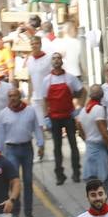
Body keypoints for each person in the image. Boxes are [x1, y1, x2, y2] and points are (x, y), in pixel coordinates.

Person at [0, 87, 42, 217]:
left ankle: (28, 212)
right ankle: (15, 210)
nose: (12, 98)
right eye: (10, 96)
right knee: (13, 181)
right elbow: (0, 134)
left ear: (19, 96)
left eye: (14, 96)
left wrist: (41, 144)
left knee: (28, 180)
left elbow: (37, 128)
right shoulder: (3, 114)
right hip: (11, 150)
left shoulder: (30, 111)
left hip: (27, 148)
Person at [38, 53, 82, 185]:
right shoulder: (47, 80)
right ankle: (59, 175)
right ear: (52, 62)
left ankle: (76, 173)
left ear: (62, 61)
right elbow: (44, 100)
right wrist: (46, 116)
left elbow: (82, 91)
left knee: (73, 145)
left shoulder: (70, 78)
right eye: (54, 58)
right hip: (54, 118)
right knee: (57, 147)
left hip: (68, 116)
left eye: (58, 58)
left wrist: (79, 108)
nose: (56, 60)